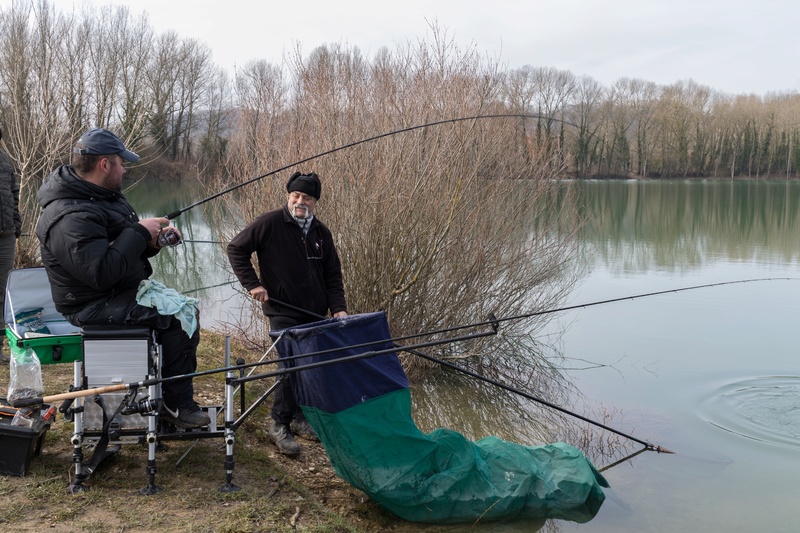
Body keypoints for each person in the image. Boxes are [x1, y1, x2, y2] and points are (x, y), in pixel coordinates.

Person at [35, 127, 210, 429]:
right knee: (176, 319)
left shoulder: (102, 197)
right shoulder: (71, 214)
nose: (124, 168)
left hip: (117, 289)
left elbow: (121, 251)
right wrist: (140, 231)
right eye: (121, 162)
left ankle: (167, 398)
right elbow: (100, 273)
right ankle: (177, 405)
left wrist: (154, 242)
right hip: (90, 303)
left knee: (186, 310)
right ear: (105, 164)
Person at [227, 171, 347, 455]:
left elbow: (332, 274)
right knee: (290, 366)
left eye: (306, 197)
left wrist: (339, 308)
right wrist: (252, 285)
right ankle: (278, 423)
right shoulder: (270, 222)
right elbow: (236, 249)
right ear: (288, 196)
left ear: (315, 201)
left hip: (314, 313)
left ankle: (300, 417)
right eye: (295, 195)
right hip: (282, 310)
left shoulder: (321, 232)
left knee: (310, 367)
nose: (299, 201)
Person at [0, 126, 23, 363]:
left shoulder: (5, 160)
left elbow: (14, 194)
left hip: (6, 235)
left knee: (2, 293)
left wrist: (16, 225)